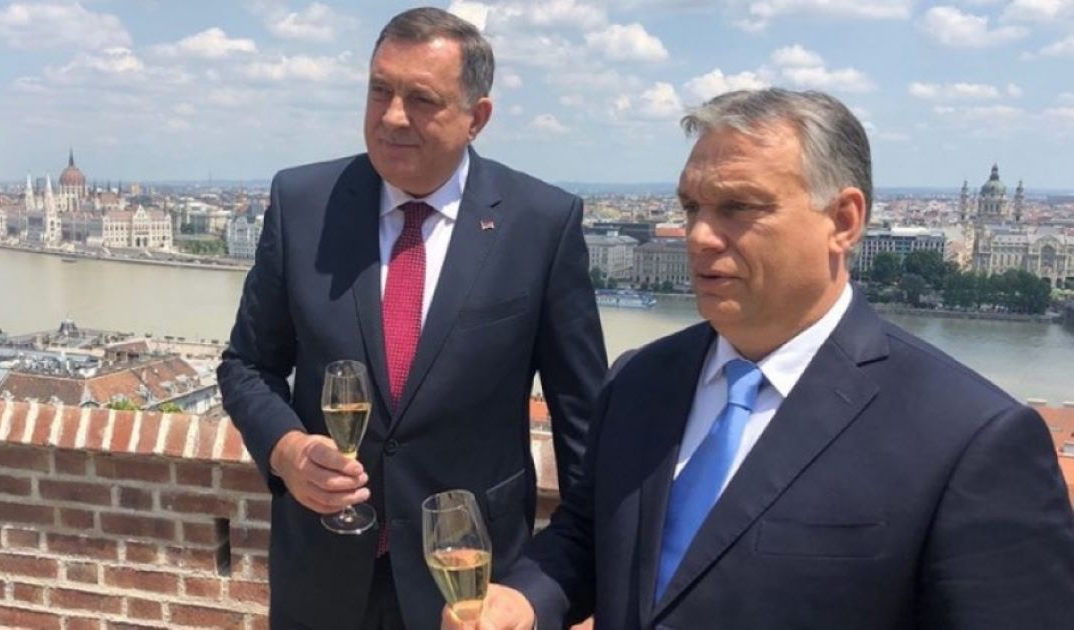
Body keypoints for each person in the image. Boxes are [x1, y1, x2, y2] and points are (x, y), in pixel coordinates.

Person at [445, 88, 1074, 630]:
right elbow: (588, 535)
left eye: (739, 207)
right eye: (692, 207)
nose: (699, 236)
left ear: (844, 220)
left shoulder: (969, 439)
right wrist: (523, 600)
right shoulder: (640, 379)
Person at [217, 7, 607, 629]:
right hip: (319, 578)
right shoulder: (302, 203)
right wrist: (286, 450)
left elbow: (584, 429)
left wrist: (557, 588)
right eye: (380, 91)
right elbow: (246, 365)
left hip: (471, 589)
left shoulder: (541, 223)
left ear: (477, 117)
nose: (393, 116)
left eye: (421, 99)